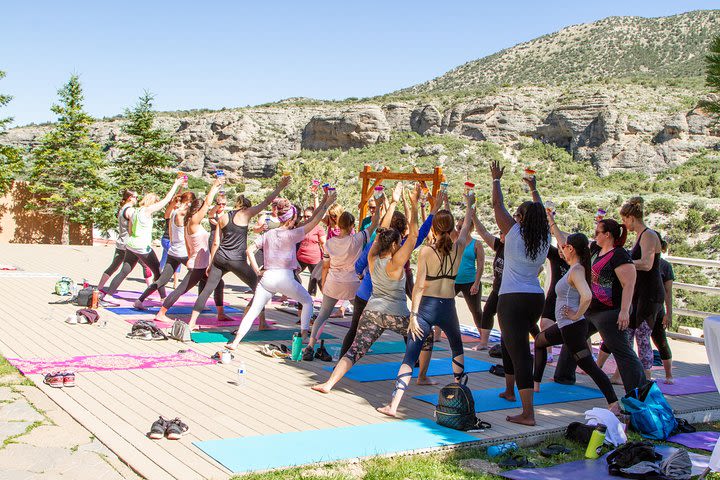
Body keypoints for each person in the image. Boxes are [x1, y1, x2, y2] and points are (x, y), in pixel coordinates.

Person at [312, 186, 435, 394]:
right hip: (395, 314)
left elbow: (378, 234)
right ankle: (421, 375)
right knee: (426, 335)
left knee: (355, 349)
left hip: (371, 311)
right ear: (396, 244)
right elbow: (416, 235)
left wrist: (392, 202)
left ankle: (329, 383)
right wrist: (420, 207)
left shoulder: (372, 257)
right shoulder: (397, 262)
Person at [376, 191, 475, 417]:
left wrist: (413, 315)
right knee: (457, 348)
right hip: (448, 306)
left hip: (427, 307)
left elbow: (419, 286)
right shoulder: (459, 246)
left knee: (410, 355)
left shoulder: (427, 251)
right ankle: (461, 394)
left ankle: (393, 404)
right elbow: (467, 225)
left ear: (434, 229)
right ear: (451, 230)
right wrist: (469, 204)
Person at [225, 188, 337, 349]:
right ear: (291, 219)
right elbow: (315, 220)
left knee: (253, 311)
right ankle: (304, 335)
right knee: (307, 301)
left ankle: (235, 342)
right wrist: (327, 203)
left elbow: (249, 250)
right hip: (284, 278)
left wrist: (257, 270)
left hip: (267, 278)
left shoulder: (269, 233)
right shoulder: (293, 234)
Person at [549, 217, 646, 394]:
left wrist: (624, 311)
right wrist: (552, 223)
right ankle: (563, 376)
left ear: (607, 235)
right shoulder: (594, 250)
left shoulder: (619, 255)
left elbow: (629, 283)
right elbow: (568, 243)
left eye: (597, 232)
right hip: (591, 308)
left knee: (621, 351)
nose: (595, 235)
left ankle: (640, 392)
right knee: (572, 337)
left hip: (611, 312)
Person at [184, 177, 291, 332]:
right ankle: (262, 322)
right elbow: (267, 201)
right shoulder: (246, 214)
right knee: (260, 288)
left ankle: (192, 323)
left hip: (220, 258)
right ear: (246, 207)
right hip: (236, 259)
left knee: (207, 289)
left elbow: (215, 242)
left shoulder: (223, 217)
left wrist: (211, 263)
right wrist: (280, 187)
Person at [489, 161, 550, 427]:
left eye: (518, 214)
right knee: (509, 343)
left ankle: (528, 413)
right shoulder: (545, 236)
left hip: (512, 299)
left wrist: (496, 180)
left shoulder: (513, 233)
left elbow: (497, 207)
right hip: (535, 298)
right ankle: (509, 389)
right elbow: (541, 214)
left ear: (522, 219)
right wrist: (534, 191)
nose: (514, 217)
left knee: (520, 352)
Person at [532, 232, 620, 413]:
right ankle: (535, 385)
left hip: (573, 327)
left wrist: (575, 314)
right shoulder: (574, 268)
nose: (562, 249)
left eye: (564, 246)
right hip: (565, 326)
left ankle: (613, 403)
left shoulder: (577, 270)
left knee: (588, 365)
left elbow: (587, 296)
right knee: (540, 341)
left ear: (571, 249)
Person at [303, 203, 382, 360]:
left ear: (339, 225)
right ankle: (359, 344)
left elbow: (325, 267)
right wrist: (379, 206)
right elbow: (375, 224)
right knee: (362, 315)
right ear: (352, 225)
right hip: (353, 284)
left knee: (322, 315)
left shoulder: (330, 243)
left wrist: (324, 285)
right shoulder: (358, 239)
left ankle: (310, 346)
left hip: (333, 282)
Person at [154, 179, 225, 324]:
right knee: (181, 289)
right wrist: (214, 187)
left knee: (219, 283)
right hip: (199, 265)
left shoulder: (189, 223)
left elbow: (187, 244)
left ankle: (220, 313)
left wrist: (189, 257)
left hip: (199, 262)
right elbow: (207, 203)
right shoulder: (193, 222)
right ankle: (161, 313)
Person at [102, 178, 184, 299]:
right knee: (158, 272)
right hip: (142, 247)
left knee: (124, 271)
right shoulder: (147, 210)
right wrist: (176, 184)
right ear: (152, 202)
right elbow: (167, 199)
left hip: (131, 244)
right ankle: (163, 298)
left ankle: (108, 295)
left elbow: (130, 230)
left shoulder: (135, 211)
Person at [621, 196, 665, 381]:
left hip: (650, 292)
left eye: (625, 219)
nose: (624, 224)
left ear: (632, 218)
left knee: (642, 334)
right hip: (639, 291)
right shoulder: (639, 236)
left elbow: (647, 264)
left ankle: (646, 378)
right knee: (629, 331)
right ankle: (627, 374)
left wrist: (625, 261)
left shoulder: (649, 235)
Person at [133, 192, 194, 308]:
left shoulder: (174, 213)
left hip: (174, 250)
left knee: (161, 280)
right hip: (181, 251)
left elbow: (171, 233)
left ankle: (139, 300)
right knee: (199, 272)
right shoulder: (181, 214)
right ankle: (173, 299)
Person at [97, 189, 153, 292]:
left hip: (121, 242)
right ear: (130, 198)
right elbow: (134, 227)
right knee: (146, 265)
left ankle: (99, 288)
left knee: (114, 266)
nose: (137, 199)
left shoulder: (122, 209)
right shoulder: (130, 210)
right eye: (136, 197)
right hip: (130, 244)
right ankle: (152, 290)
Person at [470, 214, 505, 349]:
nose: (501, 235)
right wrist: (473, 215)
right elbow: (483, 232)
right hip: (497, 288)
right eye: (500, 233)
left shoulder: (517, 249)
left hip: (509, 290)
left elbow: (539, 267)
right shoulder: (499, 246)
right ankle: (484, 342)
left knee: (505, 317)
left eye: (503, 233)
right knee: (488, 311)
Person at [452, 215, 485, 345]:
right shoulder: (455, 238)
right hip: (454, 280)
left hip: (470, 281)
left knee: (476, 311)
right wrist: (446, 202)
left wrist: (476, 283)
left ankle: (484, 338)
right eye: (457, 227)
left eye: (461, 227)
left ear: (469, 228)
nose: (459, 229)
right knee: (443, 305)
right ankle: (436, 335)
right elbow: (448, 216)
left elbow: (481, 265)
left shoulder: (476, 244)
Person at [652, 234, 675, 383]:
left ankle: (669, 375)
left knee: (660, 341)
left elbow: (668, 292)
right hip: (638, 307)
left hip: (657, 309)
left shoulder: (665, 266)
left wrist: (668, 313)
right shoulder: (638, 261)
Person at [296, 207, 326, 297]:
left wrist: (327, 257)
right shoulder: (301, 226)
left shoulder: (319, 228)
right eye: (304, 216)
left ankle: (319, 298)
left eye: (308, 216)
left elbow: (323, 243)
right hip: (300, 257)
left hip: (314, 259)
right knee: (291, 273)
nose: (306, 218)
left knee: (316, 279)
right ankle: (291, 294)